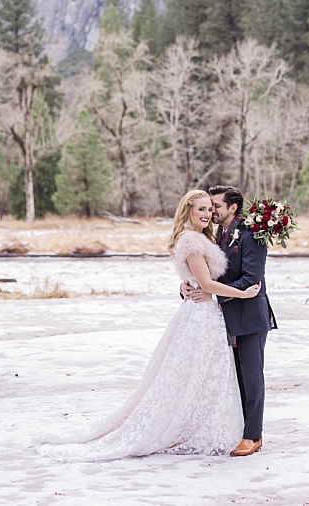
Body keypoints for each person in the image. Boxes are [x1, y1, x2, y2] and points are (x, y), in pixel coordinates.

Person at [36, 190, 260, 461]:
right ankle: (195, 427)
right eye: (202, 209)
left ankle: (228, 428)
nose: (208, 213)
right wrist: (241, 293)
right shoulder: (192, 239)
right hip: (203, 314)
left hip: (211, 314)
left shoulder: (215, 236)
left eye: (211, 208)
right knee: (197, 373)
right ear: (187, 211)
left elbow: (213, 277)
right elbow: (209, 284)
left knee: (207, 374)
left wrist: (190, 283)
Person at [183, 184, 277, 457]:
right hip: (223, 319)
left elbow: (251, 279)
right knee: (233, 378)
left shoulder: (252, 235)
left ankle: (253, 436)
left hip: (249, 317)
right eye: (209, 206)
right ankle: (239, 430)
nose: (212, 211)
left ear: (233, 208)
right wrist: (187, 285)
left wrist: (212, 295)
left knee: (251, 377)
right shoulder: (219, 234)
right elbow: (208, 273)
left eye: (216, 206)